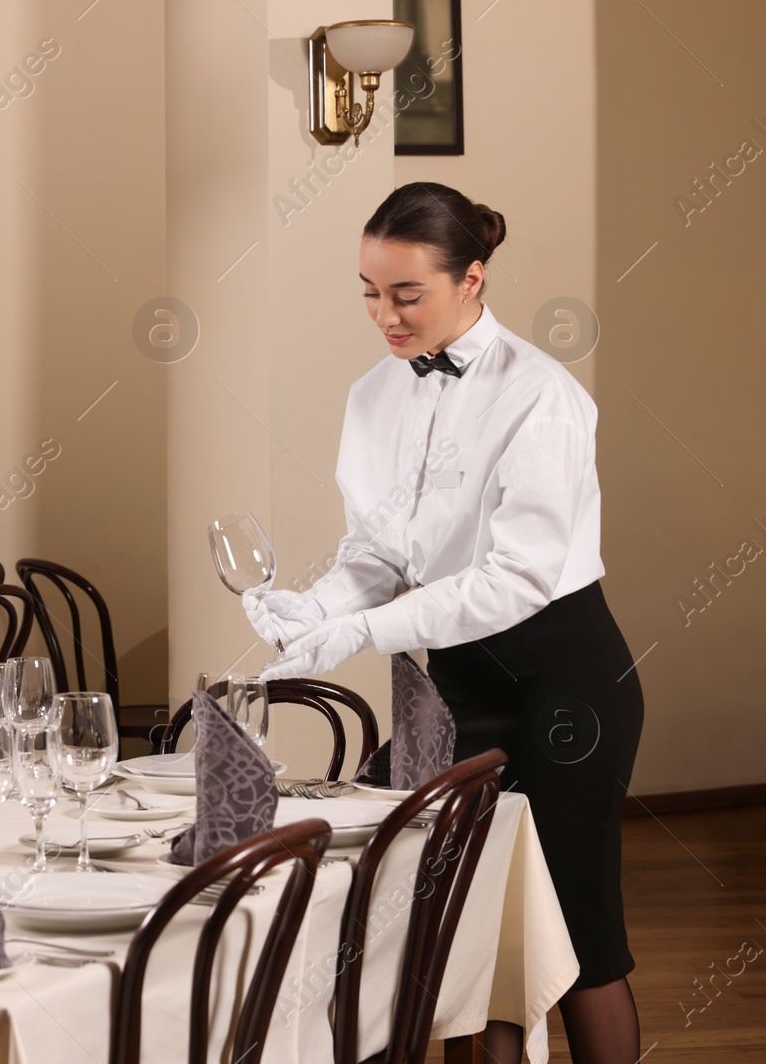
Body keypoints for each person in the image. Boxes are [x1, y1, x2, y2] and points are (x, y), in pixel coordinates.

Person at [255, 183, 642, 1062]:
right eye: (368, 291)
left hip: (564, 683)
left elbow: (517, 578)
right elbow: (378, 552)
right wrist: (317, 607)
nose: (383, 315)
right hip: (455, 685)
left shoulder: (541, 396)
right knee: (462, 930)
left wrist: (366, 630)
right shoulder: (371, 398)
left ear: (472, 279)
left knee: (578, 930)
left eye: (405, 294)